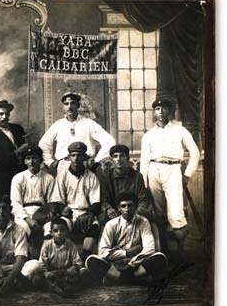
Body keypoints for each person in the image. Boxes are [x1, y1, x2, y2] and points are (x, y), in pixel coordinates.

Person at [140, 99, 200, 256]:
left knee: (176, 213)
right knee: (159, 213)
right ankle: (165, 251)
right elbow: (144, 161)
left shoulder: (180, 130)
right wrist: (143, 183)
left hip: (173, 170)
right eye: (157, 109)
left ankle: (181, 254)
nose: (160, 112)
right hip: (154, 170)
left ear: (170, 111)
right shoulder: (149, 135)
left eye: (164, 108)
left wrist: (187, 174)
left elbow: (195, 152)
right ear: (154, 112)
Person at [85, 191, 167, 285]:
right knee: (90, 260)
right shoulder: (111, 224)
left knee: (160, 258)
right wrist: (125, 253)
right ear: (118, 208)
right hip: (115, 266)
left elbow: (150, 248)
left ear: (136, 207)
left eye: (130, 205)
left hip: (136, 265)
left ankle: (121, 279)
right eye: (123, 206)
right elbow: (103, 252)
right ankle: (133, 279)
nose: (127, 209)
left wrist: (131, 264)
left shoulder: (143, 222)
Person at [38, 91, 115, 172]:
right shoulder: (58, 125)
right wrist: (50, 162)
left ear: (78, 105)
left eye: (73, 103)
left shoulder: (89, 123)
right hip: (63, 166)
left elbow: (109, 142)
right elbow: (44, 144)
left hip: (84, 166)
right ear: (63, 107)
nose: (69, 107)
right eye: (66, 104)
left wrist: (96, 161)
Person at [51, 141, 101, 262]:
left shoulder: (92, 176)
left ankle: (85, 257)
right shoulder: (62, 175)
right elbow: (58, 199)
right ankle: (60, 258)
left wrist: (90, 214)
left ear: (84, 157)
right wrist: (63, 210)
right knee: (59, 227)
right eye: (73, 155)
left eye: (79, 155)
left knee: (94, 225)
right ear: (69, 157)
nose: (76, 158)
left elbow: (95, 201)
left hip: (85, 212)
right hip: (68, 213)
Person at [10, 146, 55, 257]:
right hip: (23, 214)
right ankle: (24, 258)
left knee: (50, 227)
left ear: (40, 160)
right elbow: (15, 203)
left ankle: (47, 258)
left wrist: (47, 215)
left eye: (34, 158)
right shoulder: (18, 178)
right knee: (21, 228)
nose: (31, 161)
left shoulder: (49, 178)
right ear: (25, 161)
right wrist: (28, 220)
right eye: (28, 158)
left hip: (42, 212)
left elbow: (51, 202)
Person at [22, 218, 83, 297]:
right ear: (51, 233)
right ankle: (59, 288)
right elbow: (42, 263)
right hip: (52, 273)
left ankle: (63, 287)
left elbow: (77, 262)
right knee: (37, 279)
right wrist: (46, 272)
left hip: (66, 272)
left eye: (62, 230)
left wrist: (73, 267)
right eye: (55, 231)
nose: (59, 233)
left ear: (66, 232)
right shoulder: (47, 244)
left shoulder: (70, 244)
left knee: (82, 274)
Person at [0, 99, 29, 198]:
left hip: (23, 174)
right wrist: (19, 151)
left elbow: (26, 150)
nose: (4, 117)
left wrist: (28, 145)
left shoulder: (18, 128)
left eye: (7, 114)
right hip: (5, 179)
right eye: (0, 114)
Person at [99, 144, 149, 224]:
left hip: (133, 211)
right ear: (111, 160)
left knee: (151, 218)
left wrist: (137, 212)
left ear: (128, 158)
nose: (119, 159)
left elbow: (142, 199)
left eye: (122, 156)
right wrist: (108, 209)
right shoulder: (106, 177)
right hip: (115, 212)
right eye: (115, 156)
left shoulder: (137, 176)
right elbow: (104, 200)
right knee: (102, 218)